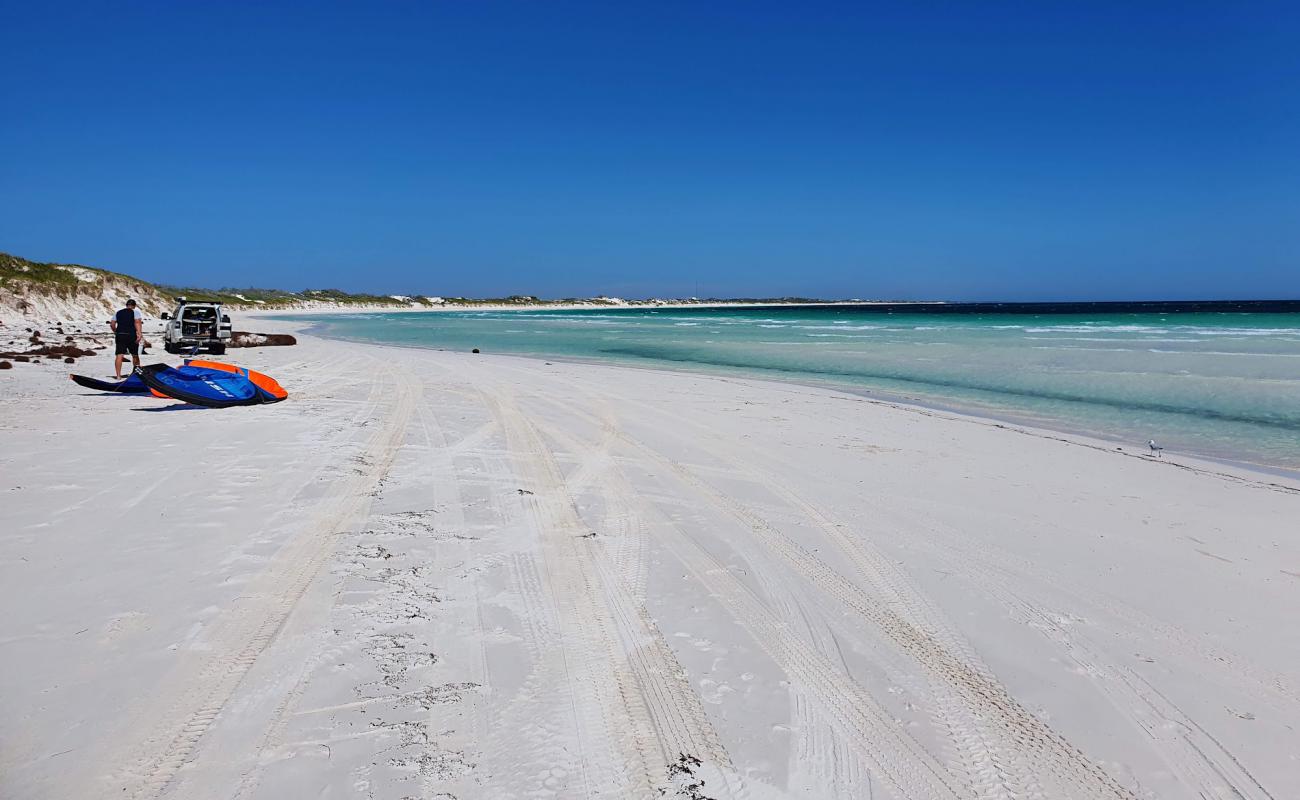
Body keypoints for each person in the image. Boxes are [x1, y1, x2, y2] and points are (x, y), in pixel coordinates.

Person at [110, 299, 144, 379]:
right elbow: (137, 322)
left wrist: (115, 331)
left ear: (126, 305)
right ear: (134, 306)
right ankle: (136, 373)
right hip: (131, 335)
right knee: (135, 355)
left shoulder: (118, 312)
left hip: (120, 335)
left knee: (119, 355)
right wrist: (139, 334)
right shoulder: (135, 312)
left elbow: (112, 323)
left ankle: (118, 375)